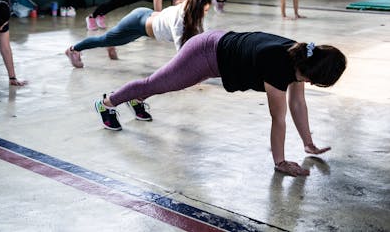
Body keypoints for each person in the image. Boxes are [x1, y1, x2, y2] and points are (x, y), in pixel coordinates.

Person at [93, 30, 347, 177]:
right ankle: (107, 103)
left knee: (162, 84)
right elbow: (278, 118)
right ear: (313, 74)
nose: (311, 85)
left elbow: (298, 105)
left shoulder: (301, 57)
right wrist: (280, 162)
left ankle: (136, 99)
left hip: (217, 49)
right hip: (204, 52)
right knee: (156, 84)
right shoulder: (279, 64)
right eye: (316, 81)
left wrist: (307, 143)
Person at [65, 0, 212, 69]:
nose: (206, 13)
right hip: (137, 23)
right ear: (195, 8)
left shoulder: (190, 12)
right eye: (204, 10)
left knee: (119, 40)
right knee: (103, 39)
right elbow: (183, 53)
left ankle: (112, 43)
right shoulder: (179, 20)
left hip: (145, 19)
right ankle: (73, 50)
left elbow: (200, 38)